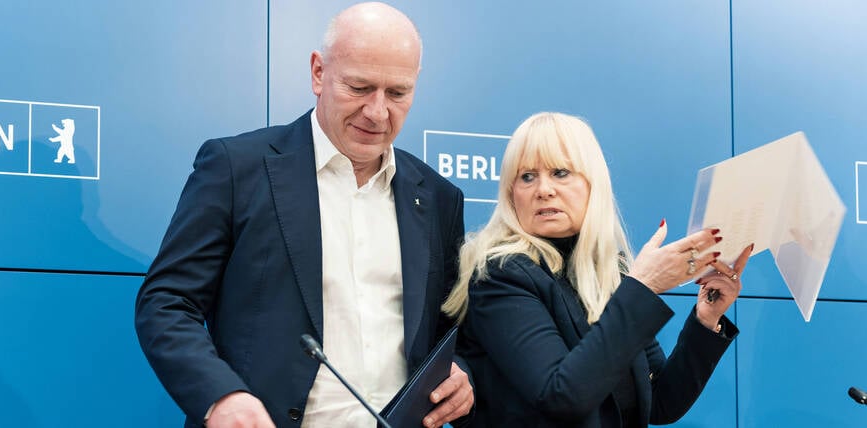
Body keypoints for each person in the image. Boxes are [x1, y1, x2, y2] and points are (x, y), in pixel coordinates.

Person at [135, 3, 473, 427]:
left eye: (397, 93)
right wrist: (221, 396)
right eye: (359, 87)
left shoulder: (440, 197)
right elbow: (167, 302)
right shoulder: (236, 168)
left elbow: (454, 333)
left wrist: (462, 374)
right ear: (318, 72)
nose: (377, 112)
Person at [441, 112, 753, 427]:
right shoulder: (499, 274)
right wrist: (642, 288)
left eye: (560, 172)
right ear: (511, 194)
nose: (543, 189)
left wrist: (706, 318)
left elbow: (660, 403)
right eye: (527, 177)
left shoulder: (608, 272)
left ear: (594, 185)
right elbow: (561, 397)